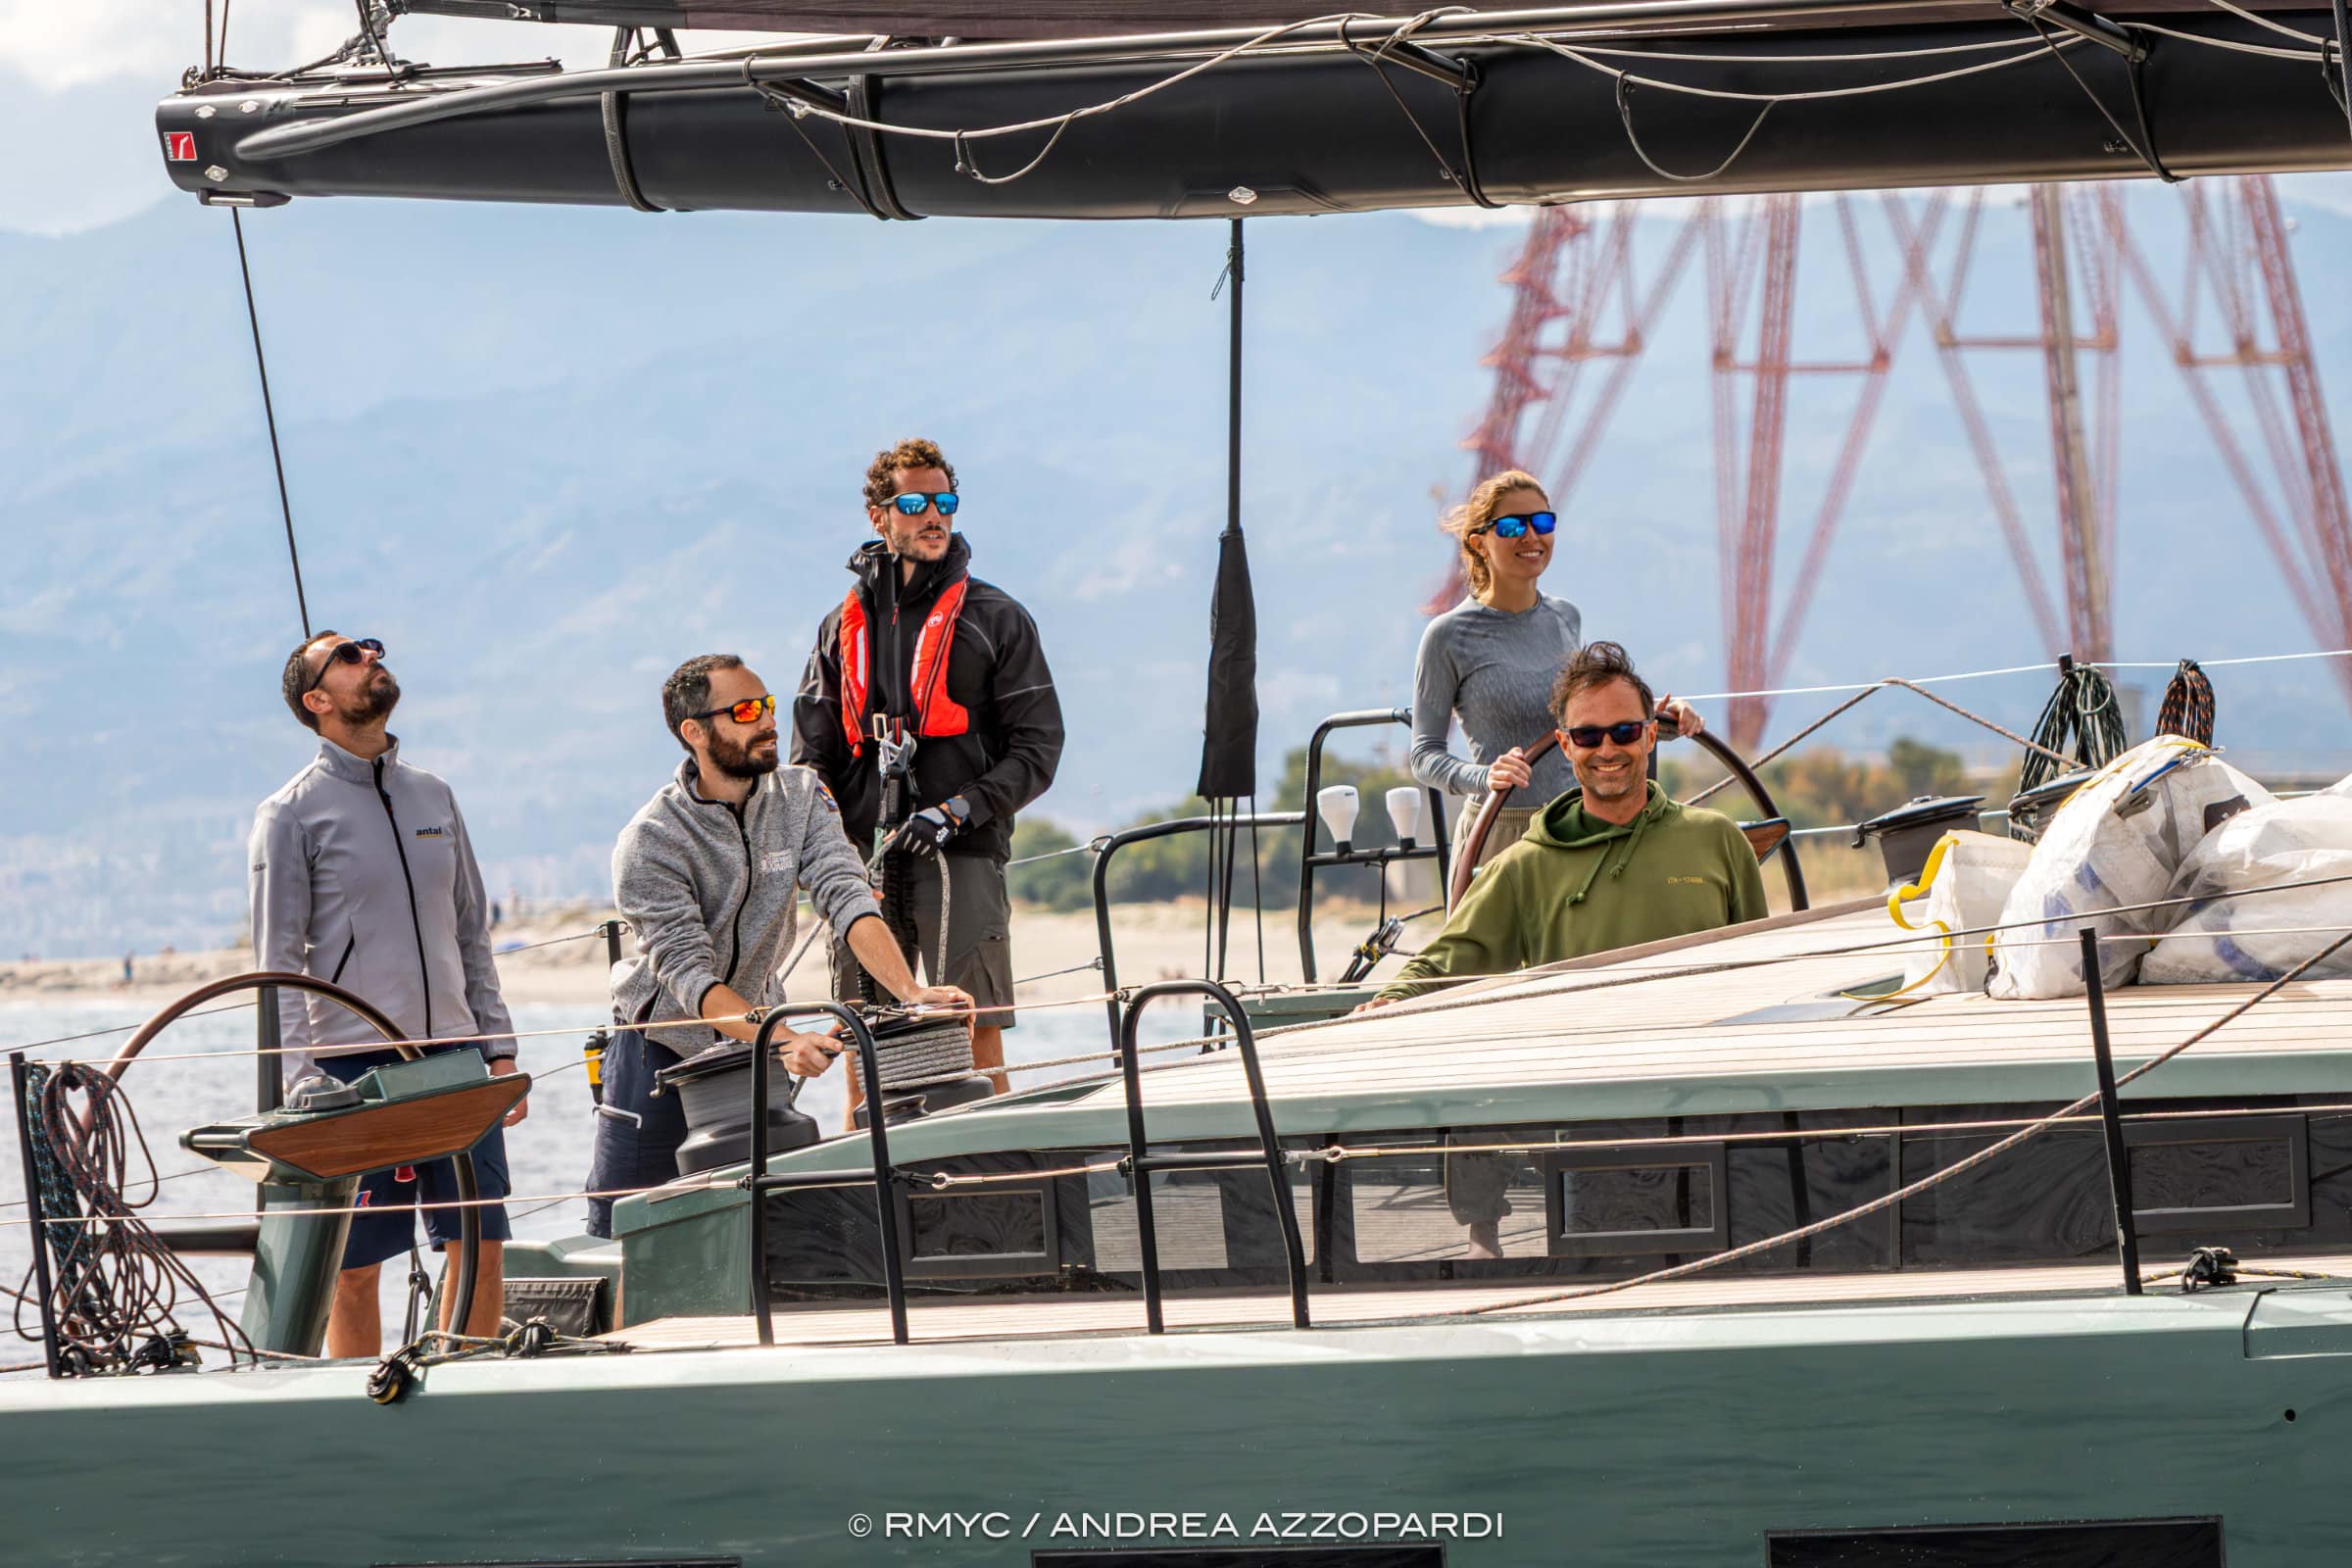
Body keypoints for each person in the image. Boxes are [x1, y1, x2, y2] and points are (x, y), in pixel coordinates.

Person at [1364, 642, 1768, 1258]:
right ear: (1565, 743)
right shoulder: (1526, 865)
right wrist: (1389, 1000)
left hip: (1712, 1111)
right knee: (1597, 1277)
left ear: (1650, 735)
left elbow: (1764, 973)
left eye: (1624, 731)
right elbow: (1450, 957)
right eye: (1588, 735)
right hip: (1590, 1120)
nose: (1608, 749)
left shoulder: (1718, 841)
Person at [587, 654, 971, 1239]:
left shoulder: (802, 794)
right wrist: (787, 1039)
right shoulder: (651, 840)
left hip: (758, 1040)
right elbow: (689, 978)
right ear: (695, 732)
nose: (768, 722)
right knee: (633, 1235)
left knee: (765, 1227)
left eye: (767, 705)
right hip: (661, 1050)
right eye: (745, 711)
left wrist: (911, 991)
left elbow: (846, 895)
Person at [249, 631, 525, 1357]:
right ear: (316, 700)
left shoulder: (435, 794)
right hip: (351, 1070)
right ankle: (362, 1409)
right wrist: (298, 1089)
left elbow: (471, 933)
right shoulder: (289, 813)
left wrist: (499, 1050)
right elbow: (277, 967)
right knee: (354, 1269)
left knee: (480, 1246)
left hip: (457, 1061)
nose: (370, 657)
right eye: (347, 656)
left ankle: (466, 1392)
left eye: (370, 648)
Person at [792, 437, 1064, 1114]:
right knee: (861, 1034)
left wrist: (958, 811)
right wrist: (829, 850)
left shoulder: (996, 618)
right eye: (914, 504)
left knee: (975, 1028)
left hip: (961, 851)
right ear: (879, 515)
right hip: (863, 859)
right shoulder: (837, 630)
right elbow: (809, 759)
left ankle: (995, 1158)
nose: (934, 515)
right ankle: (864, 1159)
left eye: (945, 501)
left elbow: (1038, 749)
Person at [1411, 469, 1703, 872]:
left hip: (1576, 823)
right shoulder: (1447, 636)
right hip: (1499, 832)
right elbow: (1424, 755)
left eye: (1542, 522)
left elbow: (1585, 717)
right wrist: (1486, 777)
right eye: (1513, 526)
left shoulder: (1567, 617)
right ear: (1478, 543)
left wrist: (1659, 719)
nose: (1531, 536)